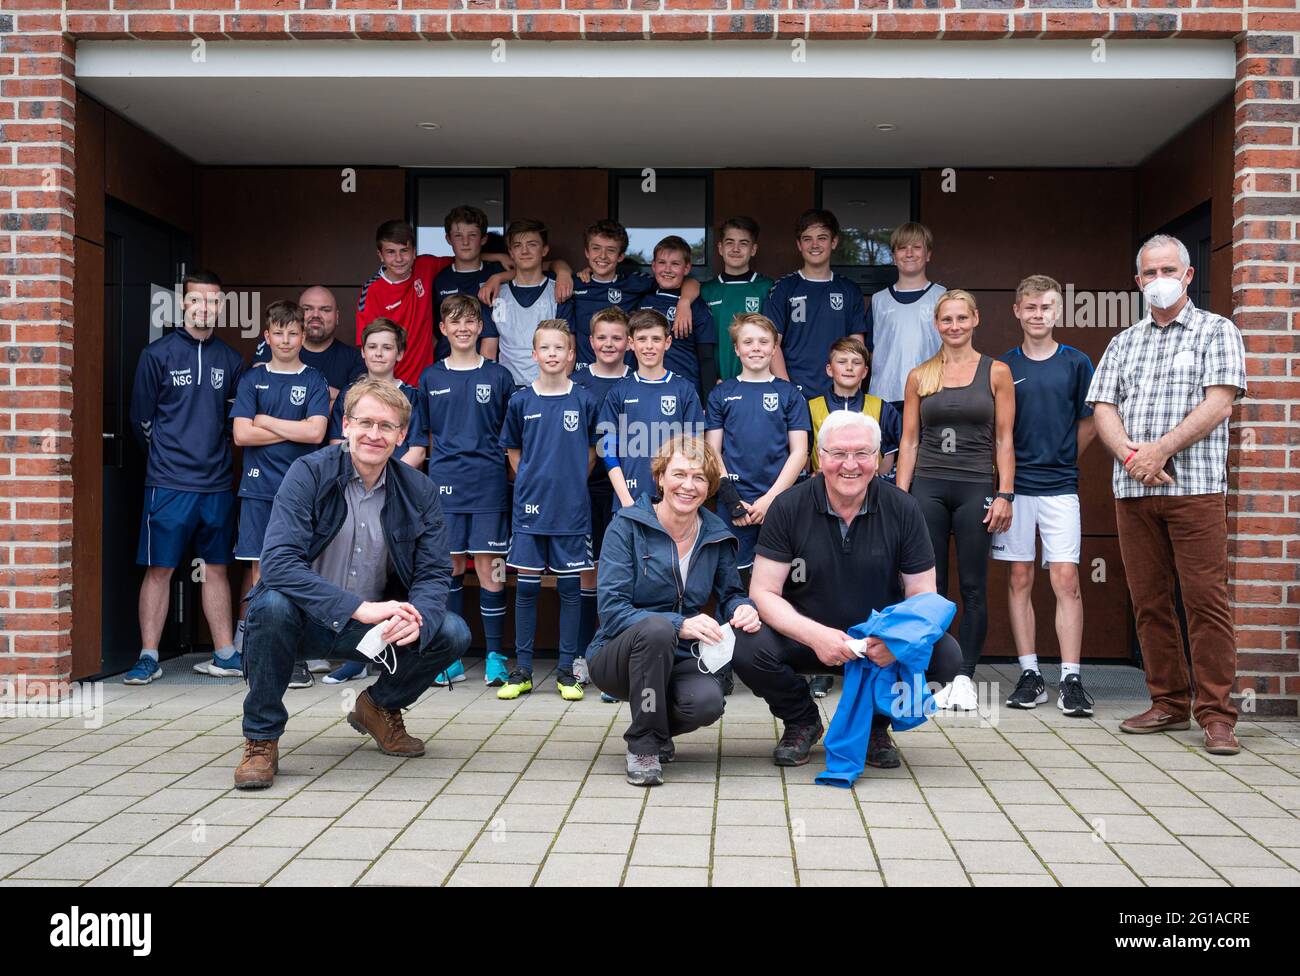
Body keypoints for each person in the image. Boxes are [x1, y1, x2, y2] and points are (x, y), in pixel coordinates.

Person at [234, 378, 471, 789]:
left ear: (401, 436)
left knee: (449, 630)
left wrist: (420, 619)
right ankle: (261, 738)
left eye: (386, 427)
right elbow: (277, 563)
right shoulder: (307, 473)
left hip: (372, 630)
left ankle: (379, 707)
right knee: (270, 604)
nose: (374, 435)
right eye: (365, 422)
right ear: (345, 425)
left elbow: (434, 574)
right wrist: (354, 607)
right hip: (303, 620)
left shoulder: (420, 491)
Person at [1087, 235, 1246, 756]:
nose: (1159, 279)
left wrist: (1160, 451)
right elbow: (1104, 407)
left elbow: (1219, 403)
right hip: (1133, 490)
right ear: (1137, 282)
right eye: (1149, 272)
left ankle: (1218, 715)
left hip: (1195, 489)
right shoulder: (1123, 342)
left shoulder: (1216, 331)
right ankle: (1168, 701)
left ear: (1188, 275)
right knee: (1150, 602)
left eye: (1168, 270)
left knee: (1205, 601)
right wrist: (1132, 457)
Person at [731, 411, 963, 768]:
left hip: (877, 642)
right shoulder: (788, 507)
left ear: (878, 457)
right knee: (746, 645)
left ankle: (872, 727)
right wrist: (816, 636)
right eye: (838, 453)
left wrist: (897, 640)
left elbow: (923, 596)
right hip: (804, 638)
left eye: (862, 453)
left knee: (944, 653)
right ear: (819, 457)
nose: (850, 465)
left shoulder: (904, 508)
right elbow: (763, 592)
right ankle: (801, 720)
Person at [588, 436, 760, 787]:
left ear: (710, 487)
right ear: (661, 478)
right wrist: (679, 623)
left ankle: (651, 722)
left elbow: (731, 593)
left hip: (680, 656)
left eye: (699, 478)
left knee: (708, 702)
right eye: (679, 474)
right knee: (657, 630)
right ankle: (644, 744)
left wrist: (744, 608)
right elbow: (612, 610)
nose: (688, 485)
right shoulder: (626, 527)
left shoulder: (716, 533)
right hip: (616, 653)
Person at [123, 270, 246, 686]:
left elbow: (233, 425)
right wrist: (167, 460)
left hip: (215, 484)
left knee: (216, 567)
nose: (206, 308)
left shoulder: (230, 360)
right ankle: (148, 655)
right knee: (160, 568)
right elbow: (141, 420)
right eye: (198, 300)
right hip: (168, 483)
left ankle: (226, 653)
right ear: (183, 304)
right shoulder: (156, 355)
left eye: (214, 301)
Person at [895, 289, 1015, 712]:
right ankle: (932, 674)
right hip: (928, 485)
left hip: (975, 487)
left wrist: (1005, 493)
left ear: (976, 319)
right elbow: (909, 441)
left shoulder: (997, 371)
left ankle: (964, 675)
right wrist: (902, 495)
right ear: (937, 324)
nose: (955, 326)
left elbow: (1004, 439)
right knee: (929, 586)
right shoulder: (920, 376)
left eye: (962, 318)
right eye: (947, 319)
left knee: (972, 585)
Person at [994, 275, 1098, 716]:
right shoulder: (1001, 366)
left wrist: (1062, 457)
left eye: (1046, 308)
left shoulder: (1077, 363)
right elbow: (996, 432)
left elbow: (1091, 419)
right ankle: (1031, 674)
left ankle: (1071, 677)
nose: (1038, 315)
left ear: (1058, 312)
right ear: (1017, 311)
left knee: (1066, 580)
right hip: (1014, 491)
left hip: (1060, 487)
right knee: (1019, 579)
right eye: (1030, 308)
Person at [405, 295, 516, 688]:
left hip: (488, 483)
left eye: (471, 320)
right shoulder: (431, 377)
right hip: (444, 485)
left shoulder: (498, 376)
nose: (464, 328)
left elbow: (513, 437)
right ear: (443, 329)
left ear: (480, 327)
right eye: (455, 321)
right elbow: (421, 439)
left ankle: (495, 656)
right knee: (448, 567)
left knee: (491, 569)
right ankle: (449, 657)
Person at [497, 320, 602, 701]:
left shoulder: (585, 399)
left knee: (570, 589)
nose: (554, 354)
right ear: (535, 354)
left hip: (572, 511)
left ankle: (565, 670)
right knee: (525, 589)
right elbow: (513, 451)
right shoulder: (521, 400)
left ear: (572, 355)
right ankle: (522, 670)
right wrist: (530, 480)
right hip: (529, 509)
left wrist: (572, 479)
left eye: (561, 348)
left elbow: (593, 451)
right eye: (546, 348)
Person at [320, 317, 426, 685]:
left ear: (400, 353)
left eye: (388, 347)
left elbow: (418, 447)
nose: (380, 353)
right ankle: (348, 651)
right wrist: (364, 468)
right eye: (373, 347)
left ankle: (384, 651)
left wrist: (385, 472)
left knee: (388, 566)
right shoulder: (351, 396)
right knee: (352, 556)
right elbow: (337, 445)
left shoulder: (412, 394)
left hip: (395, 492)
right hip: (351, 487)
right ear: (362, 352)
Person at [230, 300, 330, 685]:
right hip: (257, 488)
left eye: (294, 333)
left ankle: (297, 653)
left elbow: (316, 433)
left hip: (302, 492)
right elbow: (241, 434)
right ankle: (259, 652)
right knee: (260, 569)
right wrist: (294, 426)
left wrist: (267, 421)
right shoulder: (252, 379)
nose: (286, 340)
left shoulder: (314, 380)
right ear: (267, 336)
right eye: (279, 333)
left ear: (303, 336)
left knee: (300, 569)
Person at [704, 312, 810, 580]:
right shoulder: (721, 394)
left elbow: (800, 451)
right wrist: (731, 499)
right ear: (737, 349)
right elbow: (712, 451)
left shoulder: (789, 394)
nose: (756, 348)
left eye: (763, 342)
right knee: (734, 580)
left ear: (775, 348)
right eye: (748, 342)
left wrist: (770, 499)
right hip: (735, 504)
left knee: (783, 579)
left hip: (780, 501)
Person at [570, 306, 633, 684]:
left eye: (616, 337)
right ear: (590, 342)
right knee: (588, 574)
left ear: (628, 342)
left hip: (633, 490)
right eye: (602, 338)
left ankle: (618, 655)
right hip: (588, 490)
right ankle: (581, 655)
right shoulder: (576, 383)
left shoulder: (639, 379)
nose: (609, 344)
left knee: (628, 575)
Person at [597, 309, 706, 513]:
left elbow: (695, 449)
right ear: (631, 343)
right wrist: (627, 502)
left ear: (668, 342)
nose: (649, 346)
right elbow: (609, 452)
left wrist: (678, 496)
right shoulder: (619, 392)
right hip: (629, 500)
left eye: (656, 339)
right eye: (642, 339)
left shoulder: (684, 390)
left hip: (674, 503)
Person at [764, 208, 866, 400]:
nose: (815, 245)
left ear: (834, 242)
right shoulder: (784, 288)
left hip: (839, 390)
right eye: (807, 238)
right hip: (796, 390)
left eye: (822, 238)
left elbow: (856, 344)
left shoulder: (849, 289)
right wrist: (788, 391)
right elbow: (772, 344)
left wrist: (852, 386)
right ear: (798, 244)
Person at [566, 219, 698, 367]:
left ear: (621, 256)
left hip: (624, 376)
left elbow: (687, 281)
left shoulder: (635, 283)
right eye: (596, 248)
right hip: (585, 375)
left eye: (610, 250)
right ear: (587, 252)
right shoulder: (573, 285)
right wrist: (562, 270)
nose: (602, 256)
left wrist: (684, 301)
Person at [865, 223, 946, 416]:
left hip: (931, 394)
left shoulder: (942, 297)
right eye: (902, 248)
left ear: (928, 255)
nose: (909, 253)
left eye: (916, 247)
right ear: (893, 257)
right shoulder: (879, 300)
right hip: (885, 396)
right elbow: (868, 351)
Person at [489, 218, 578, 387]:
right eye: (517, 246)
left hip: (547, 389)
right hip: (506, 388)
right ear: (511, 252)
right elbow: (489, 351)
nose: (524, 251)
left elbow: (568, 350)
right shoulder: (497, 294)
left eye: (532, 244)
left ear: (544, 250)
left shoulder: (559, 291)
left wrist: (555, 392)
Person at [253, 285, 365, 419]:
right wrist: (330, 396)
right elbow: (258, 390)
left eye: (325, 309)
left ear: (337, 317)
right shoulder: (273, 346)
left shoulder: (354, 358)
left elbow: (356, 404)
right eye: (307, 309)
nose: (316, 315)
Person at [634, 235, 718, 399]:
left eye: (675, 264)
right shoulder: (643, 300)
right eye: (662, 262)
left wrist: (708, 404)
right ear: (653, 265)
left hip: (685, 393)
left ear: (686, 268)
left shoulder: (697, 307)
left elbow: (706, 359)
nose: (667, 269)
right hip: (646, 392)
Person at [808, 336, 902, 480]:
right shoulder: (811, 408)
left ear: (865, 372)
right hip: (823, 491)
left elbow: (899, 450)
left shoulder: (882, 408)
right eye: (842, 362)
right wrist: (810, 478)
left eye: (856, 362)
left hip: (871, 493)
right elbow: (801, 454)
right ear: (829, 369)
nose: (849, 367)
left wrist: (885, 481)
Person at [701, 216, 777, 382]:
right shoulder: (707, 291)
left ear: (753, 249)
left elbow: (774, 339)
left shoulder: (767, 287)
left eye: (743, 243)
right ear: (720, 248)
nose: (736, 249)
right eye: (729, 242)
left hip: (759, 381)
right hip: (719, 382)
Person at [432, 204, 502, 362]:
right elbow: (433, 328)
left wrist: (562, 268)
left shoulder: (497, 273)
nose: (465, 242)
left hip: (490, 364)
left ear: (483, 239)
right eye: (458, 236)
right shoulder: (441, 279)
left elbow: (531, 269)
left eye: (472, 235)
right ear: (448, 239)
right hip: (447, 363)